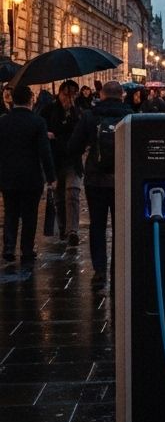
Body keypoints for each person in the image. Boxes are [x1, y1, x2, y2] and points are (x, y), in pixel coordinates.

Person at [68, 79, 132, 284]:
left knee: (97, 225)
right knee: (121, 226)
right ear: (122, 95)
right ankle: (118, 269)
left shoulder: (90, 116)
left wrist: (81, 168)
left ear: (101, 95)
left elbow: (73, 147)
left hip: (95, 180)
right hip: (122, 180)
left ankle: (100, 270)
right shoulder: (130, 116)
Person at [0, 82, 57, 263]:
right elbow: (44, 152)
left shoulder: (3, 121)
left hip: (7, 176)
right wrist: (51, 177)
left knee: (10, 212)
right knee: (29, 215)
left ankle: (8, 247)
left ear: (13, 101)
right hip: (31, 177)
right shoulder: (38, 122)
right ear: (30, 100)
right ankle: (26, 249)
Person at [43, 80, 83, 245]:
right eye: (67, 94)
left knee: (72, 192)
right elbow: (41, 127)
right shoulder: (49, 110)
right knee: (59, 196)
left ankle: (72, 230)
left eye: (73, 94)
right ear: (60, 93)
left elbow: (81, 130)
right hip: (55, 158)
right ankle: (62, 227)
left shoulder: (77, 111)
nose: (69, 98)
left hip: (73, 159)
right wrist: (47, 134)